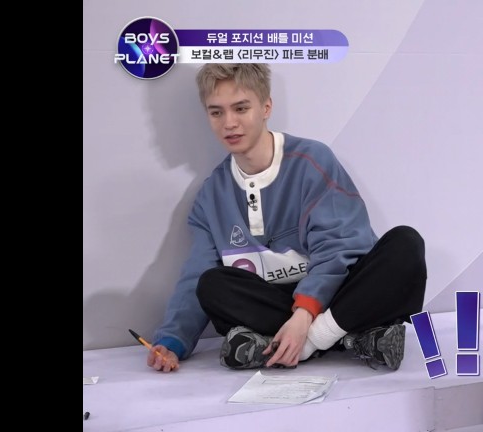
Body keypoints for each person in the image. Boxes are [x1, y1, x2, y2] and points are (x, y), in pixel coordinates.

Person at [146, 63, 427, 373]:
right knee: (211, 285)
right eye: (216, 112)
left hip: (337, 293)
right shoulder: (210, 196)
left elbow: (340, 248)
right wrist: (172, 341)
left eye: (241, 108)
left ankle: (303, 346)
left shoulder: (312, 161)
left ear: (266, 107)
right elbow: (195, 274)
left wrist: (306, 317)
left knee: (405, 245)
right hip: (278, 303)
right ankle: (357, 338)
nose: (229, 123)